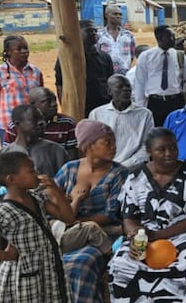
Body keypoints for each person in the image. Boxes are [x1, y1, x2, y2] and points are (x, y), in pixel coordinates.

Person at [109, 128, 186, 302]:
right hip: (145, 235)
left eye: (173, 148)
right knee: (120, 265)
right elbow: (128, 218)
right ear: (149, 151)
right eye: (161, 149)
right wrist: (135, 235)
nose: (169, 153)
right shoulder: (135, 176)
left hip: (185, 234)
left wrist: (158, 235)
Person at [0, 152, 74, 302]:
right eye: (31, 170)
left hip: (46, 268)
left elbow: (68, 217)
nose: (37, 174)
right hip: (23, 275)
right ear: (12, 179)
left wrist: (55, 190)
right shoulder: (2, 211)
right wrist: (4, 255)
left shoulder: (36, 198)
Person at [55, 119, 128, 303]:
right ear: (89, 146)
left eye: (114, 142)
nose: (114, 147)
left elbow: (111, 215)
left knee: (81, 263)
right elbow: (52, 203)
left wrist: (75, 219)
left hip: (102, 235)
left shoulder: (119, 173)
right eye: (107, 143)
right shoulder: (69, 169)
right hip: (67, 232)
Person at [133, 25, 186, 126]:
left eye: (174, 36)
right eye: (170, 36)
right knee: (157, 134)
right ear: (159, 38)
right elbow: (140, 83)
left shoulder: (180, 56)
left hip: (176, 102)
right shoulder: (146, 57)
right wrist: (142, 108)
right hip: (155, 103)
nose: (173, 39)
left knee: (177, 133)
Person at [89, 74, 154, 169]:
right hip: (103, 168)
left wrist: (124, 166)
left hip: (135, 168)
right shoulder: (96, 114)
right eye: (120, 87)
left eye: (128, 86)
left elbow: (146, 146)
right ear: (110, 92)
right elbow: (92, 146)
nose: (126, 89)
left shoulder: (145, 115)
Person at [0, 35, 44, 145]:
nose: (24, 51)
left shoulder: (35, 72)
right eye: (19, 49)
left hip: (31, 124)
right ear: (8, 52)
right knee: (10, 157)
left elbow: (40, 96)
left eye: (26, 48)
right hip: (7, 124)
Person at [55, 19, 114, 117]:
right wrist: (66, 110)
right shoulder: (67, 58)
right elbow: (60, 85)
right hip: (80, 109)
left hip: (102, 107)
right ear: (78, 33)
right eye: (90, 31)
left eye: (96, 31)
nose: (94, 34)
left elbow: (110, 82)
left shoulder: (105, 57)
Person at [0, 105, 70, 179]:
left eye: (42, 119)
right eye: (35, 119)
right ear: (18, 124)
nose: (42, 123)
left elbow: (65, 181)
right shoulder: (4, 155)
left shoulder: (56, 151)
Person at [4, 87, 78, 159]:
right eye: (47, 101)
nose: (54, 104)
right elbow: (7, 155)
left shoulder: (67, 123)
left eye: (55, 100)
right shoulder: (17, 126)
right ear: (32, 104)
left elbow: (72, 156)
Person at [97, 4, 136, 75]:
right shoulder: (99, 35)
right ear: (106, 16)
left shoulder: (129, 35)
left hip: (125, 74)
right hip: (105, 74)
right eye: (115, 14)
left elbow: (132, 55)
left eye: (120, 14)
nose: (119, 16)